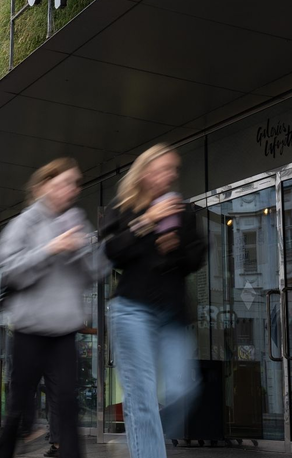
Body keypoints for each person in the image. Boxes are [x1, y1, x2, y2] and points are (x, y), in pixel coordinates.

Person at [0, 158, 104, 458]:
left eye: (74, 184)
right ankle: (3, 451)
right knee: (19, 406)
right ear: (43, 186)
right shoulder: (24, 223)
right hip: (30, 328)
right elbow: (9, 270)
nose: (70, 189)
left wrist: (85, 250)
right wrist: (50, 249)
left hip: (64, 330)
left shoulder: (75, 220)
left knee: (68, 403)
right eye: (62, 183)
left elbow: (92, 274)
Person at [104, 144, 206, 458]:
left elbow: (196, 257)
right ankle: (146, 446)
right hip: (132, 309)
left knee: (183, 389)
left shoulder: (182, 210)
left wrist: (174, 247)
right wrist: (147, 221)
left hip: (173, 313)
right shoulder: (125, 208)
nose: (169, 175)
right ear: (145, 171)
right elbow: (113, 252)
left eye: (172, 169)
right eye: (162, 168)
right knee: (142, 395)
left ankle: (138, 436)